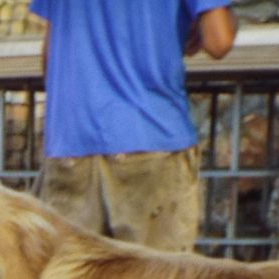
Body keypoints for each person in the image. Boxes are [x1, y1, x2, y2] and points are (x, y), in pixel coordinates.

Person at [31, 0, 236, 254]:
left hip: (70, 141)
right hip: (151, 136)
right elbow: (219, 41)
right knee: (159, 277)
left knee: (70, 275)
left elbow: (50, 55)